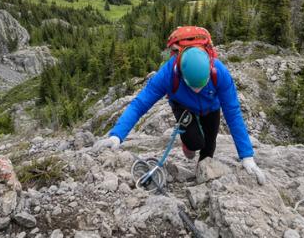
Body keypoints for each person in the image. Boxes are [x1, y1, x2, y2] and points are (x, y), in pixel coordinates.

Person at [92, 27, 266, 185]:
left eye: (201, 85)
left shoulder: (219, 73)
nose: (197, 90)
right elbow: (140, 104)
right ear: (180, 71)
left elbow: (233, 114)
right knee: (194, 141)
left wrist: (247, 156)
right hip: (181, 104)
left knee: (209, 145)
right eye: (192, 86)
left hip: (211, 107)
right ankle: (187, 145)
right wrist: (116, 136)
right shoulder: (168, 74)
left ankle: (202, 178)